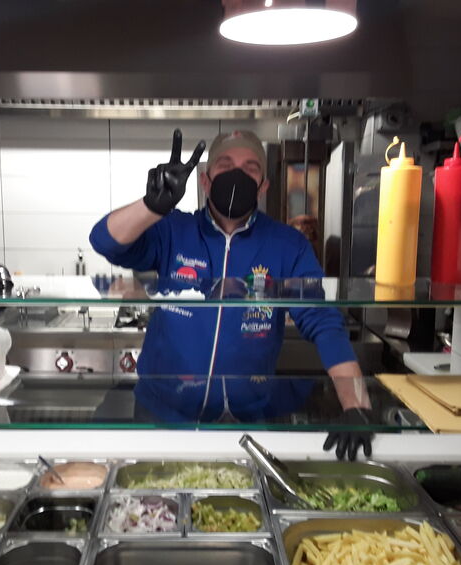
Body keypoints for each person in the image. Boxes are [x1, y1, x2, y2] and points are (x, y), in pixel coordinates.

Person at [89, 129, 373, 460]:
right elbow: (104, 242)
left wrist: (356, 404)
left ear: (263, 186)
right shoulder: (173, 230)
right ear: (205, 181)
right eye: (225, 165)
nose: (237, 175)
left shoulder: (288, 245)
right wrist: (152, 206)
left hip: (248, 418)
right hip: (163, 412)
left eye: (251, 168)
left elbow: (323, 322)